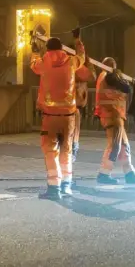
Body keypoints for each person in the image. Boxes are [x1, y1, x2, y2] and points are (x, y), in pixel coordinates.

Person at [30, 28, 85, 200]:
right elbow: (82, 57)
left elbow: (33, 66)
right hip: (68, 116)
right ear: (61, 48)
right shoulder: (71, 61)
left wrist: (33, 50)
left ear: (48, 49)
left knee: (50, 150)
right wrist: (77, 40)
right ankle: (66, 186)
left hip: (50, 116)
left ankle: (54, 187)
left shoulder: (44, 61)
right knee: (66, 151)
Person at [94, 57, 135, 185]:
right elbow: (112, 94)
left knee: (123, 146)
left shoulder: (105, 77)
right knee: (115, 145)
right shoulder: (107, 77)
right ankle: (104, 174)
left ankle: (129, 173)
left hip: (114, 115)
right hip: (113, 116)